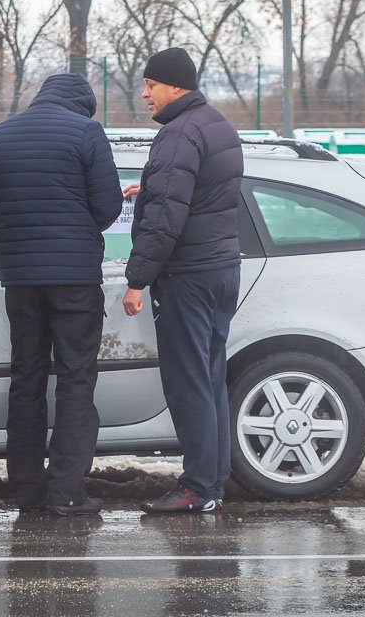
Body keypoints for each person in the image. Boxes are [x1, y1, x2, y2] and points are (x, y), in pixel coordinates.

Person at [0, 73, 123, 516]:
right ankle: (68, 491)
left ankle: (27, 489)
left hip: (19, 279)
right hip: (75, 279)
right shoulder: (87, 133)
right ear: (83, 105)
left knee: (27, 378)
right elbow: (108, 208)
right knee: (76, 379)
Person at [121, 47, 243, 514]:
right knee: (209, 377)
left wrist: (138, 279)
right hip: (220, 268)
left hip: (188, 274)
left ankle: (196, 486)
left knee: (188, 380)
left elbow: (167, 218)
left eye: (151, 85)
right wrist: (148, 187)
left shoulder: (178, 134)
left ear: (175, 86)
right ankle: (212, 480)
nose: (145, 94)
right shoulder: (216, 124)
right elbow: (203, 193)